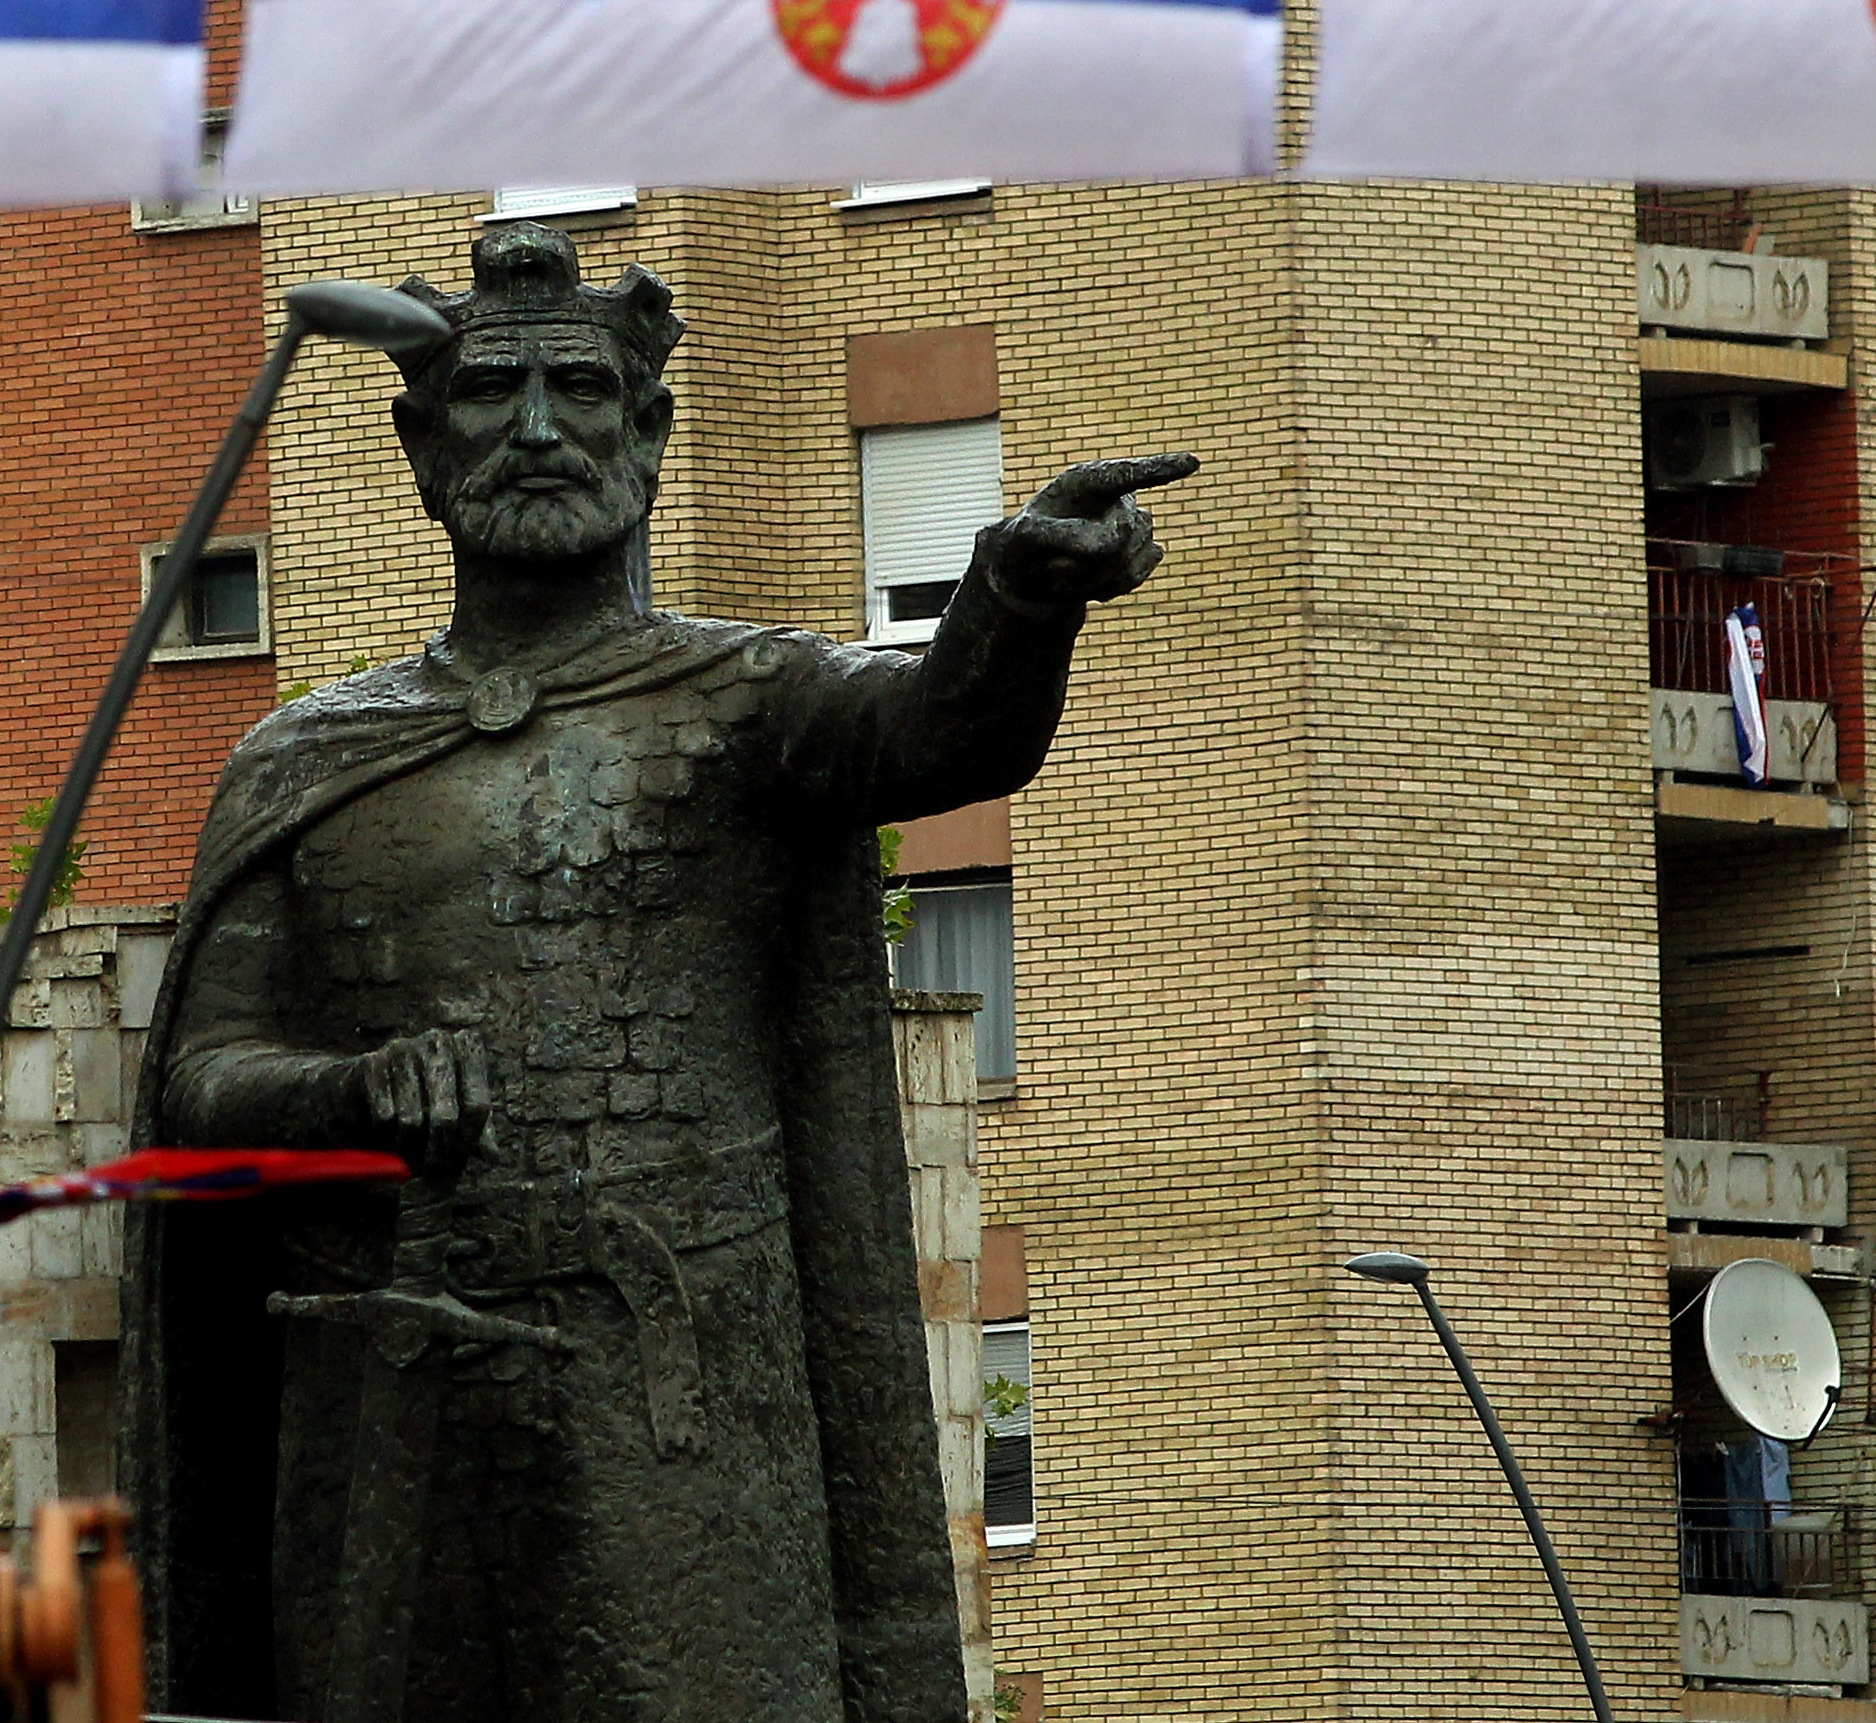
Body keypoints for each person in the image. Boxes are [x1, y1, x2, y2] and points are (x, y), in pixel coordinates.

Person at [121, 222, 1192, 1723]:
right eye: (495, 394)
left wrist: (1018, 589)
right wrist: (354, 1090)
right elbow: (199, 1079)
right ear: (422, 446)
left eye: (582, 389)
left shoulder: (747, 698)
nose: (544, 428)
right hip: (390, 1417)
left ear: (651, 430)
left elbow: (947, 736)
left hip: (681, 1404)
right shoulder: (306, 758)